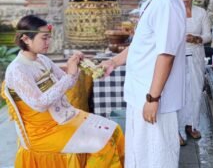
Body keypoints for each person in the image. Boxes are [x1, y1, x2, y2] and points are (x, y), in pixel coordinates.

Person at [100, 0, 186, 167]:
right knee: (141, 154)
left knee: (156, 157)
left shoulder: (166, 2)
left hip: (153, 98)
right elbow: (140, 45)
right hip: (142, 95)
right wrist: (113, 62)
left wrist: (153, 99)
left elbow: (166, 55)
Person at [1, 15, 124, 168]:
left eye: (49, 38)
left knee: (115, 131)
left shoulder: (42, 59)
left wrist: (74, 65)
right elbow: (39, 104)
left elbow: (68, 83)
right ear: (26, 39)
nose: (48, 42)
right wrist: (70, 75)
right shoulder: (18, 69)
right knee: (102, 144)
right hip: (42, 131)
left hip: (63, 116)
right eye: (44, 38)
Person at [176, 0, 211, 146]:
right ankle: (176, 130)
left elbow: (208, 36)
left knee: (195, 92)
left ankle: (192, 126)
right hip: (177, 58)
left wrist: (196, 38)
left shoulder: (201, 12)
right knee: (179, 93)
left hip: (196, 56)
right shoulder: (173, 12)